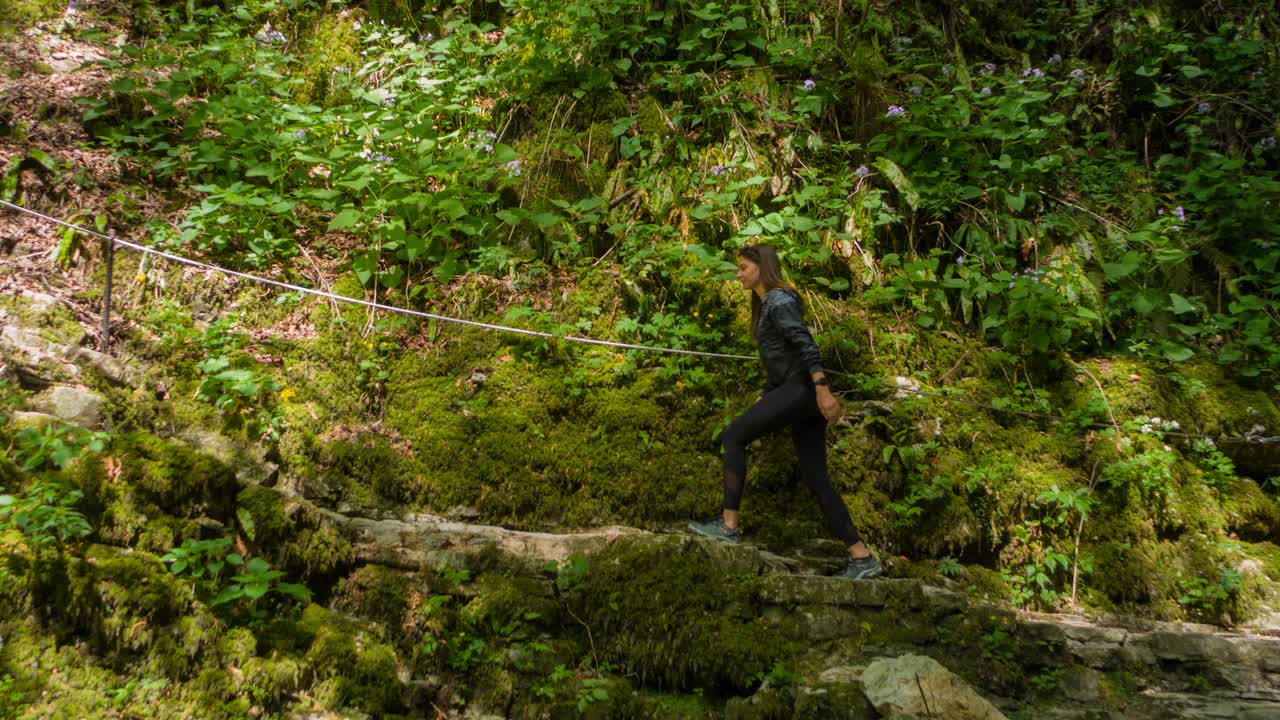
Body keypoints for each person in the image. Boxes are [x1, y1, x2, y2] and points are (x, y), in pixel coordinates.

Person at [688, 244, 883, 580]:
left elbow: (804, 343)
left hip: (803, 391)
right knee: (815, 476)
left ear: (762, 268)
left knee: (733, 437)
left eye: (743, 267)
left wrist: (822, 388)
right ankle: (861, 555)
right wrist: (768, 394)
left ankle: (729, 525)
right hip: (795, 391)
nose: (738, 274)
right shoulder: (769, 305)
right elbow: (784, 361)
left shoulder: (779, 301)